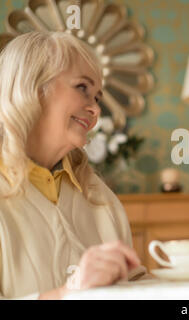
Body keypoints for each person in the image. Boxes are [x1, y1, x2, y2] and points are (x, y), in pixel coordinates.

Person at [0, 31, 147, 299]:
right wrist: (69, 293)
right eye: (82, 88)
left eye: (98, 97)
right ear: (31, 86)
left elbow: (134, 287)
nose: (96, 110)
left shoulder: (100, 197)